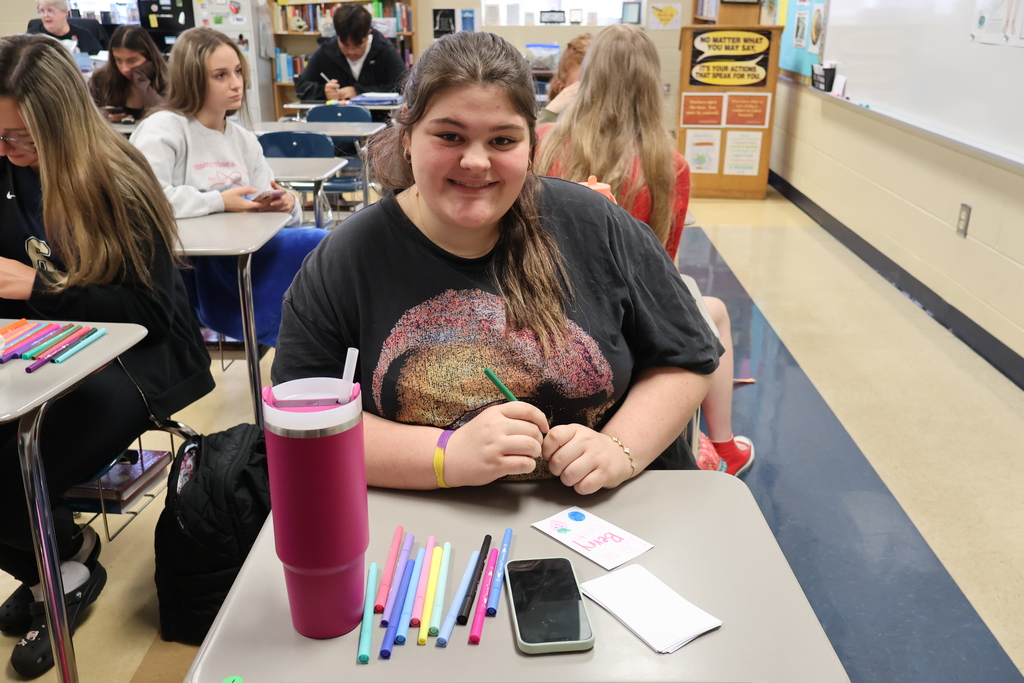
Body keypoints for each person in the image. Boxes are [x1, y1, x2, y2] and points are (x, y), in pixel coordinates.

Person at [272, 31, 722, 494]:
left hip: (605, 515)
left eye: (503, 140)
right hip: (420, 525)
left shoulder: (596, 224)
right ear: (407, 138)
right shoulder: (346, 260)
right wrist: (446, 456)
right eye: (449, 136)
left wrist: (619, 449)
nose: (475, 161)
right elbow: (307, 423)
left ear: (531, 146)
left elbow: (688, 356)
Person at [0, 34, 213, 679]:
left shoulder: (116, 177)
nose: (8, 150)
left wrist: (38, 288)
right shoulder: (7, 166)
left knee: (13, 471)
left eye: (20, 138)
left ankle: (59, 569)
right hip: (41, 348)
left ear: (60, 123)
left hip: (138, 357)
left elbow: (151, 313)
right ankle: (60, 557)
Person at [534, 24, 754, 476]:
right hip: (627, 317)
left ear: (588, 76)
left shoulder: (546, 141)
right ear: (653, 82)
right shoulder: (668, 165)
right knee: (713, 316)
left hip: (545, 300)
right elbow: (664, 271)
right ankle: (724, 445)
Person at [130, 27, 326, 346]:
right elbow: (143, 202)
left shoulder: (243, 139)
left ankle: (317, 344)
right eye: (220, 75)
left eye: (237, 71)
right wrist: (221, 201)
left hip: (245, 257)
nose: (236, 84)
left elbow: (270, 206)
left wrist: (288, 203)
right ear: (191, 78)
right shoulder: (163, 128)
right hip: (189, 269)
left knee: (325, 247)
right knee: (318, 246)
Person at [293, 4, 407, 102]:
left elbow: (403, 87)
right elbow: (301, 88)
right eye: (345, 45)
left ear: (368, 33)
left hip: (380, 118)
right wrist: (323, 91)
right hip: (337, 117)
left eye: (358, 46)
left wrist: (359, 91)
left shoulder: (385, 50)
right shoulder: (326, 51)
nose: (351, 52)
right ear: (337, 36)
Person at [89, 25, 168, 122]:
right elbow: (84, 114)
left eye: (132, 61)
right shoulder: (101, 79)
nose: (124, 69)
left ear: (149, 58)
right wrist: (103, 115)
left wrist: (141, 80)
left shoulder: (167, 80)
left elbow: (165, 116)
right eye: (118, 60)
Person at [537, 33, 591, 126]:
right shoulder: (556, 121)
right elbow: (537, 133)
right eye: (582, 86)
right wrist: (550, 112)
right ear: (562, 89)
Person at [26, 0, 102, 55]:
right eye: (42, 11)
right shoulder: (32, 36)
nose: (46, 15)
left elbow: (96, 60)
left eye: (50, 11)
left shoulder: (83, 35)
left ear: (64, 12)